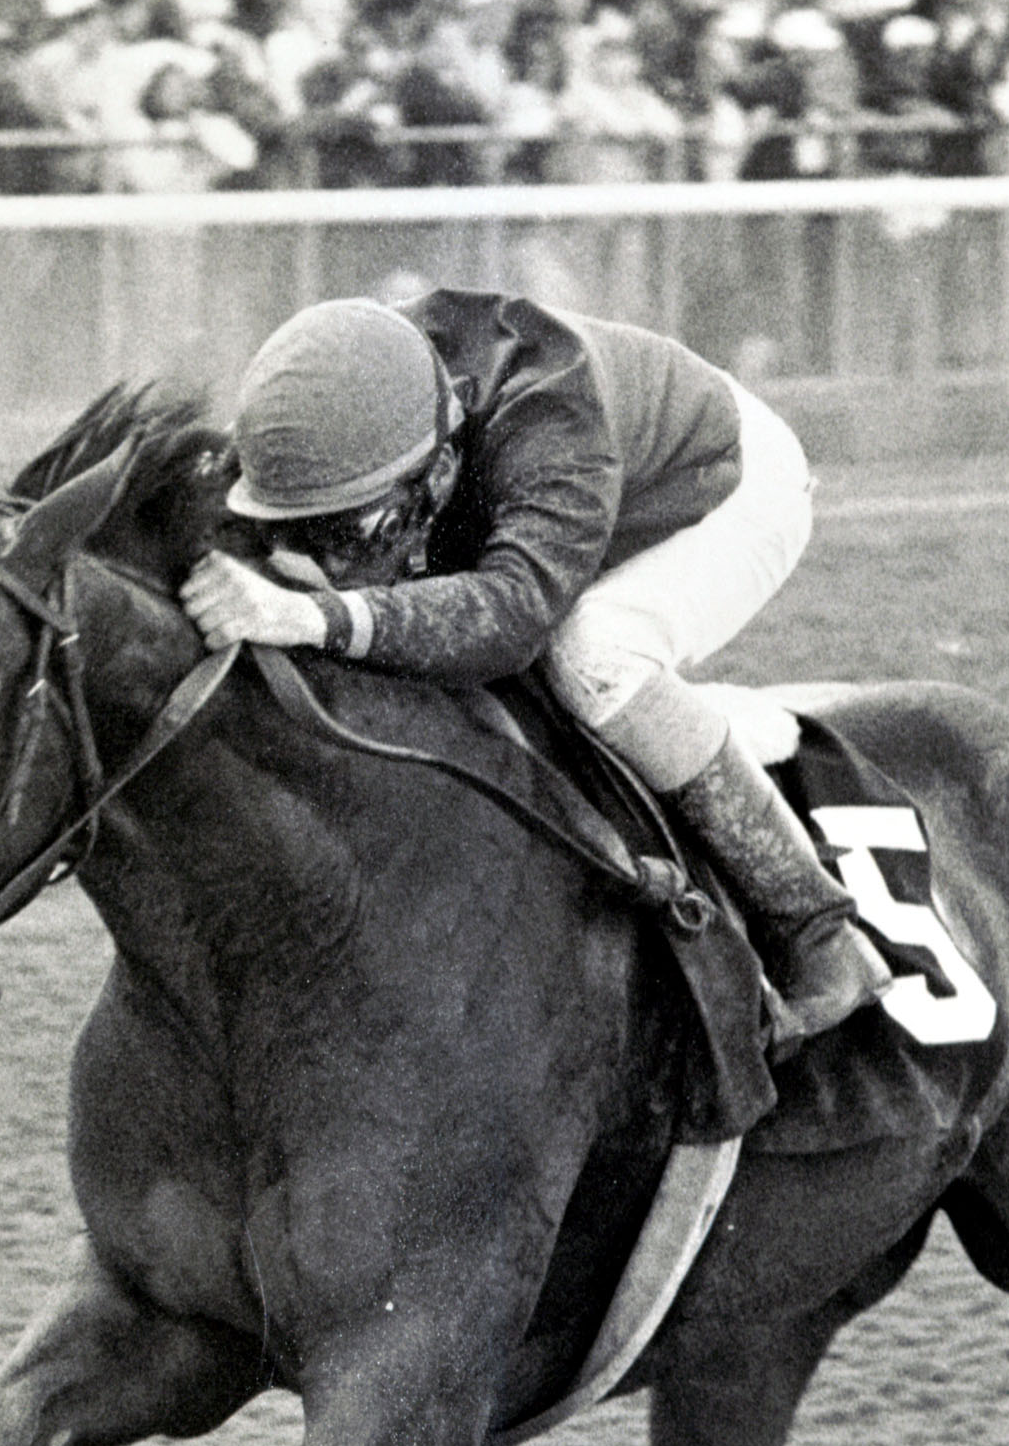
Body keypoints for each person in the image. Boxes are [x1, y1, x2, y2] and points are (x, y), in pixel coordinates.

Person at [180, 292, 894, 1046]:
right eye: (307, 528)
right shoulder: (329, 418)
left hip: (727, 486)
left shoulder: (552, 425)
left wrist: (316, 615)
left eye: (355, 529)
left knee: (591, 652)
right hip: (574, 476)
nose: (334, 560)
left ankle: (819, 930)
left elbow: (516, 615)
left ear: (444, 465)